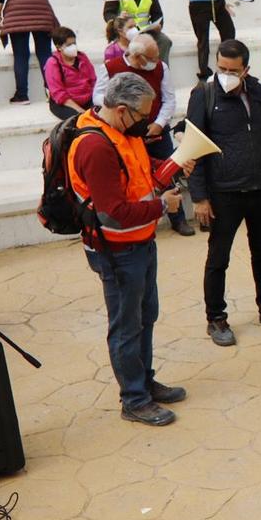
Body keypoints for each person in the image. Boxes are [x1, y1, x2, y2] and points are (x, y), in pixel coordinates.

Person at [66, 73, 194, 425]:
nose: (148, 124)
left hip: (139, 242)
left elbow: (141, 172)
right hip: (117, 249)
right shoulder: (95, 146)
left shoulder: (123, 132)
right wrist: (161, 207)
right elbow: (115, 213)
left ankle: (144, 382)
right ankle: (134, 399)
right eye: (142, 117)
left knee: (145, 315)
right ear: (121, 110)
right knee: (126, 325)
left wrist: (173, 165)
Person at [186, 41, 261, 346]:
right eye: (221, 68)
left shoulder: (257, 91)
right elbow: (193, 148)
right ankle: (216, 319)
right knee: (218, 258)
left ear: (245, 70)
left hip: (260, 188)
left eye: (233, 70)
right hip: (224, 193)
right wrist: (199, 197)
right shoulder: (204, 95)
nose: (226, 74)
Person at [103, 32, 190, 236]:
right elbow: (101, 97)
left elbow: (169, 99)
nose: (156, 62)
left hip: (155, 129)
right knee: (133, 174)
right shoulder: (110, 67)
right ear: (137, 56)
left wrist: (158, 123)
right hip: (127, 130)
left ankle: (178, 218)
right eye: (152, 58)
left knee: (167, 173)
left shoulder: (161, 68)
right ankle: (142, 219)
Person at [45, 26, 98, 121]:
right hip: (65, 103)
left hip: (87, 98)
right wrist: (79, 110)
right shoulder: (53, 63)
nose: (73, 47)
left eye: (74, 43)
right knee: (81, 120)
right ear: (59, 47)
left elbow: (93, 80)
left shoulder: (82, 57)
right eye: (69, 45)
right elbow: (58, 93)